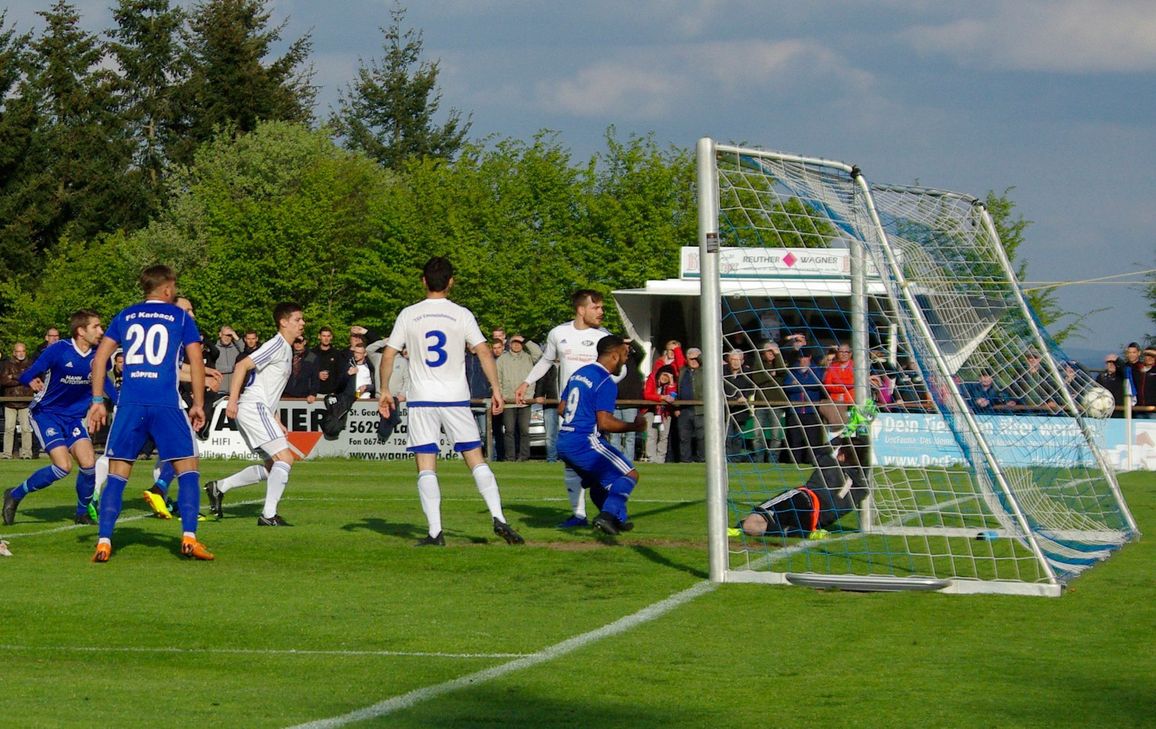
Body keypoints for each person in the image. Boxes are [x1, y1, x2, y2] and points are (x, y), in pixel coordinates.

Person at [377, 256, 523, 547]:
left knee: (426, 464)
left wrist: (384, 389)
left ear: (423, 281)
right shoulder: (461, 314)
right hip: (456, 398)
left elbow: (389, 354)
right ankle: (499, 517)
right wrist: (496, 388)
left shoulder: (409, 314)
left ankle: (435, 532)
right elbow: (483, 351)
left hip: (422, 400)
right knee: (475, 459)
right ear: (451, 282)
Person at [86, 265, 213, 562]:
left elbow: (100, 357)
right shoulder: (180, 316)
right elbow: (195, 360)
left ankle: (104, 541)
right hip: (165, 402)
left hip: (130, 403)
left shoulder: (125, 315)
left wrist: (96, 399)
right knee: (188, 469)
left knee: (118, 474)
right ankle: (190, 537)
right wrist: (197, 402)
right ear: (167, 289)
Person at [514, 289, 621, 527]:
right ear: (581, 309)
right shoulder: (558, 333)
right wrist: (526, 382)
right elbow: (546, 360)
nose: (601, 312)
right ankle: (580, 515)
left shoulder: (604, 338)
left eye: (602, 308)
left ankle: (612, 514)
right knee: (571, 463)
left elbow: (620, 371)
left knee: (598, 462)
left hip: (593, 414)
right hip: (570, 412)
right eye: (597, 307)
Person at [203, 303, 307, 526]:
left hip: (259, 409)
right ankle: (268, 516)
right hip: (253, 407)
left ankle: (220, 487)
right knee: (285, 458)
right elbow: (242, 366)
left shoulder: (286, 349)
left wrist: (275, 418)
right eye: (298, 320)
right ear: (283, 322)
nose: (302, 324)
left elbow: (269, 385)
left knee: (273, 465)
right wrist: (232, 400)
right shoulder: (277, 344)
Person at [3, 312, 108, 526]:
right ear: (81, 331)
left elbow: (103, 384)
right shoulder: (59, 350)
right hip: (46, 413)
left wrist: (121, 402)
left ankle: (82, 513)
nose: (101, 331)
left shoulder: (99, 356)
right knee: (63, 467)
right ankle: (15, 495)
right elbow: (28, 374)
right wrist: (31, 380)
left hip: (74, 417)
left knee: (89, 464)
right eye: (96, 327)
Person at [556, 335, 647, 535]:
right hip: (584, 441)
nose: (625, 360)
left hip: (564, 441)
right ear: (614, 356)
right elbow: (605, 422)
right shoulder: (605, 382)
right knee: (629, 474)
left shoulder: (579, 374)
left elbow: (561, 408)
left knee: (599, 482)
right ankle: (606, 516)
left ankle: (617, 519)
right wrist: (634, 426)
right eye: (624, 355)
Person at [740, 440, 868, 538]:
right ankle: (802, 533)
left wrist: (839, 437)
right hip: (815, 521)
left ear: (843, 455)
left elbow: (817, 452)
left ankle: (741, 527)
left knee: (750, 523)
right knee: (764, 522)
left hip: (803, 499)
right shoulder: (862, 489)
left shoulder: (830, 464)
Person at [496, 334, 536, 461]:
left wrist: (526, 340)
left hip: (525, 400)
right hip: (508, 401)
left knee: (524, 430)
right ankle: (510, 457)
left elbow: (539, 353)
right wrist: (501, 395)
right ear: (509, 344)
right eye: (514, 342)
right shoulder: (502, 359)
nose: (517, 345)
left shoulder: (529, 358)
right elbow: (498, 379)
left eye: (519, 342)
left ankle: (524, 456)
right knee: (509, 431)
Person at [610, 341, 644, 461]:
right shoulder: (613, 361)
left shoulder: (633, 360)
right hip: (615, 402)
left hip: (631, 403)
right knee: (615, 434)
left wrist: (631, 342)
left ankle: (628, 459)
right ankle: (615, 459)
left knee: (630, 434)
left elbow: (641, 352)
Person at [0, 342, 35, 460]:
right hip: (10, 400)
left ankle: (26, 454)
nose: (21, 353)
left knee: (26, 429)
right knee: (9, 429)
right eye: (18, 351)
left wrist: (13, 376)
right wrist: (22, 379)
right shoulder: (6, 364)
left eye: (23, 351)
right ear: (14, 352)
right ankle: (7, 454)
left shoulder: (31, 364)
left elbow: (33, 378)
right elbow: (3, 381)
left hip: (26, 401)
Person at [642, 364, 677, 463]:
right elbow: (647, 395)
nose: (665, 378)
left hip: (665, 412)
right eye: (664, 375)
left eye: (668, 377)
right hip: (651, 411)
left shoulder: (671, 384)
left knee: (663, 436)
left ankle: (661, 459)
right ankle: (651, 458)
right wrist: (661, 397)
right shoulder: (652, 378)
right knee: (651, 435)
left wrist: (671, 383)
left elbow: (672, 396)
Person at [677, 347, 706, 463]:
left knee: (702, 437)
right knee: (684, 437)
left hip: (700, 409)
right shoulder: (683, 371)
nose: (694, 361)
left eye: (696, 358)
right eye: (691, 358)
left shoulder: (705, 371)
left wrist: (699, 357)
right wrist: (677, 407)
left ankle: (702, 460)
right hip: (684, 409)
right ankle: (685, 460)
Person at [312, 326, 348, 396]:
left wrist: (337, 390)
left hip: (332, 393)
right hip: (315, 393)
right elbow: (307, 370)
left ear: (331, 337)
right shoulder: (312, 353)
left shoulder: (337, 354)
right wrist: (317, 375)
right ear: (319, 337)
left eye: (328, 336)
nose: (326, 338)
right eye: (324, 336)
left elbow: (341, 373)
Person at [283, 335, 320, 402]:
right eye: (295, 342)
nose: (297, 345)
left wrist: (313, 393)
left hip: (304, 395)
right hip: (286, 394)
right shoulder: (286, 355)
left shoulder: (311, 357)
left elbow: (315, 378)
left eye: (300, 342)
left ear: (304, 342)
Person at [213, 325, 244, 394]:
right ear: (220, 334)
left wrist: (235, 336)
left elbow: (246, 352)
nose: (227, 338)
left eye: (230, 335)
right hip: (219, 391)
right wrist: (231, 368)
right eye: (225, 335)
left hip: (235, 391)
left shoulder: (236, 348)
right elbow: (214, 368)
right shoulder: (214, 349)